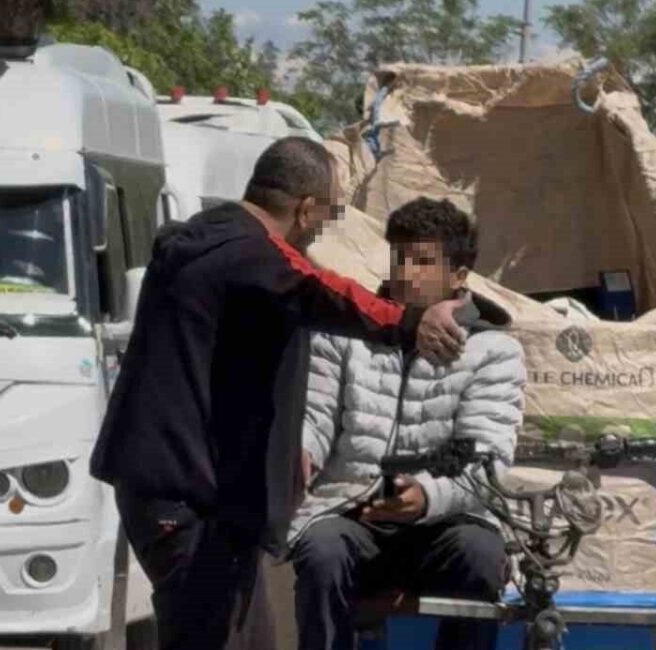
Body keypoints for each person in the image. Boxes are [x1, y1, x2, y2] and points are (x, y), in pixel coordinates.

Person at [89, 138, 468, 649]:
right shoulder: (253, 254)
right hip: (190, 498)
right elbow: (324, 291)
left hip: (186, 493)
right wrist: (411, 321)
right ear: (306, 208)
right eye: (328, 215)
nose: (321, 231)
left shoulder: (206, 240)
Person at [288, 196, 527, 650]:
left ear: (458, 276)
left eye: (423, 261)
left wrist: (426, 496)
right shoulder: (346, 330)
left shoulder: (493, 351)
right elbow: (316, 418)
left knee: (481, 557)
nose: (406, 272)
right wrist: (298, 457)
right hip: (353, 510)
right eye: (400, 257)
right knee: (320, 552)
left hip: (446, 521)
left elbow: (487, 459)